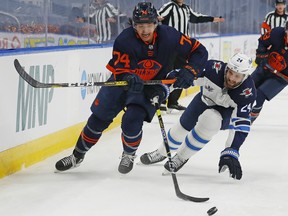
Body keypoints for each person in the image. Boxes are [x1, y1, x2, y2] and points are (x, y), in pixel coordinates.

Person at [55, 2, 208, 174]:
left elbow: (199, 51)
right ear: (134, 25)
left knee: (132, 120)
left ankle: (128, 154)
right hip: (122, 84)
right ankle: (77, 156)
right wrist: (128, 76)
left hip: (152, 86)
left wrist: (191, 70)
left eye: (149, 25)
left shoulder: (170, 36)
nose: (145, 30)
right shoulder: (124, 40)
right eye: (140, 26)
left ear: (156, 23)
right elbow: (120, 70)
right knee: (97, 120)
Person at [140, 53, 256, 180]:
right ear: (227, 68)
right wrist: (164, 88)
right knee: (180, 129)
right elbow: (183, 76)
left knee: (209, 121)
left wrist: (232, 150)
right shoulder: (213, 69)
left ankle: (181, 157)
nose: (232, 78)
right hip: (203, 101)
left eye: (237, 76)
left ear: (245, 77)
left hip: (224, 113)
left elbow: (240, 124)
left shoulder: (247, 92)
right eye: (230, 72)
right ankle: (161, 152)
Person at [158, 0, 225, 112]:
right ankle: (162, 100)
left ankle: (173, 102)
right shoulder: (169, 6)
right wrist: (156, 18)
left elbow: (197, 17)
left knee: (182, 71)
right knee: (167, 70)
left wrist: (213, 19)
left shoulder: (187, 9)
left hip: (184, 46)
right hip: (169, 45)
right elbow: (158, 14)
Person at [250, 23, 288, 123]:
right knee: (247, 87)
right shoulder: (277, 32)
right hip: (265, 67)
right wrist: (261, 55)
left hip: (281, 77)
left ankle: (251, 117)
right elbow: (262, 41)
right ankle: (238, 111)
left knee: (260, 94)